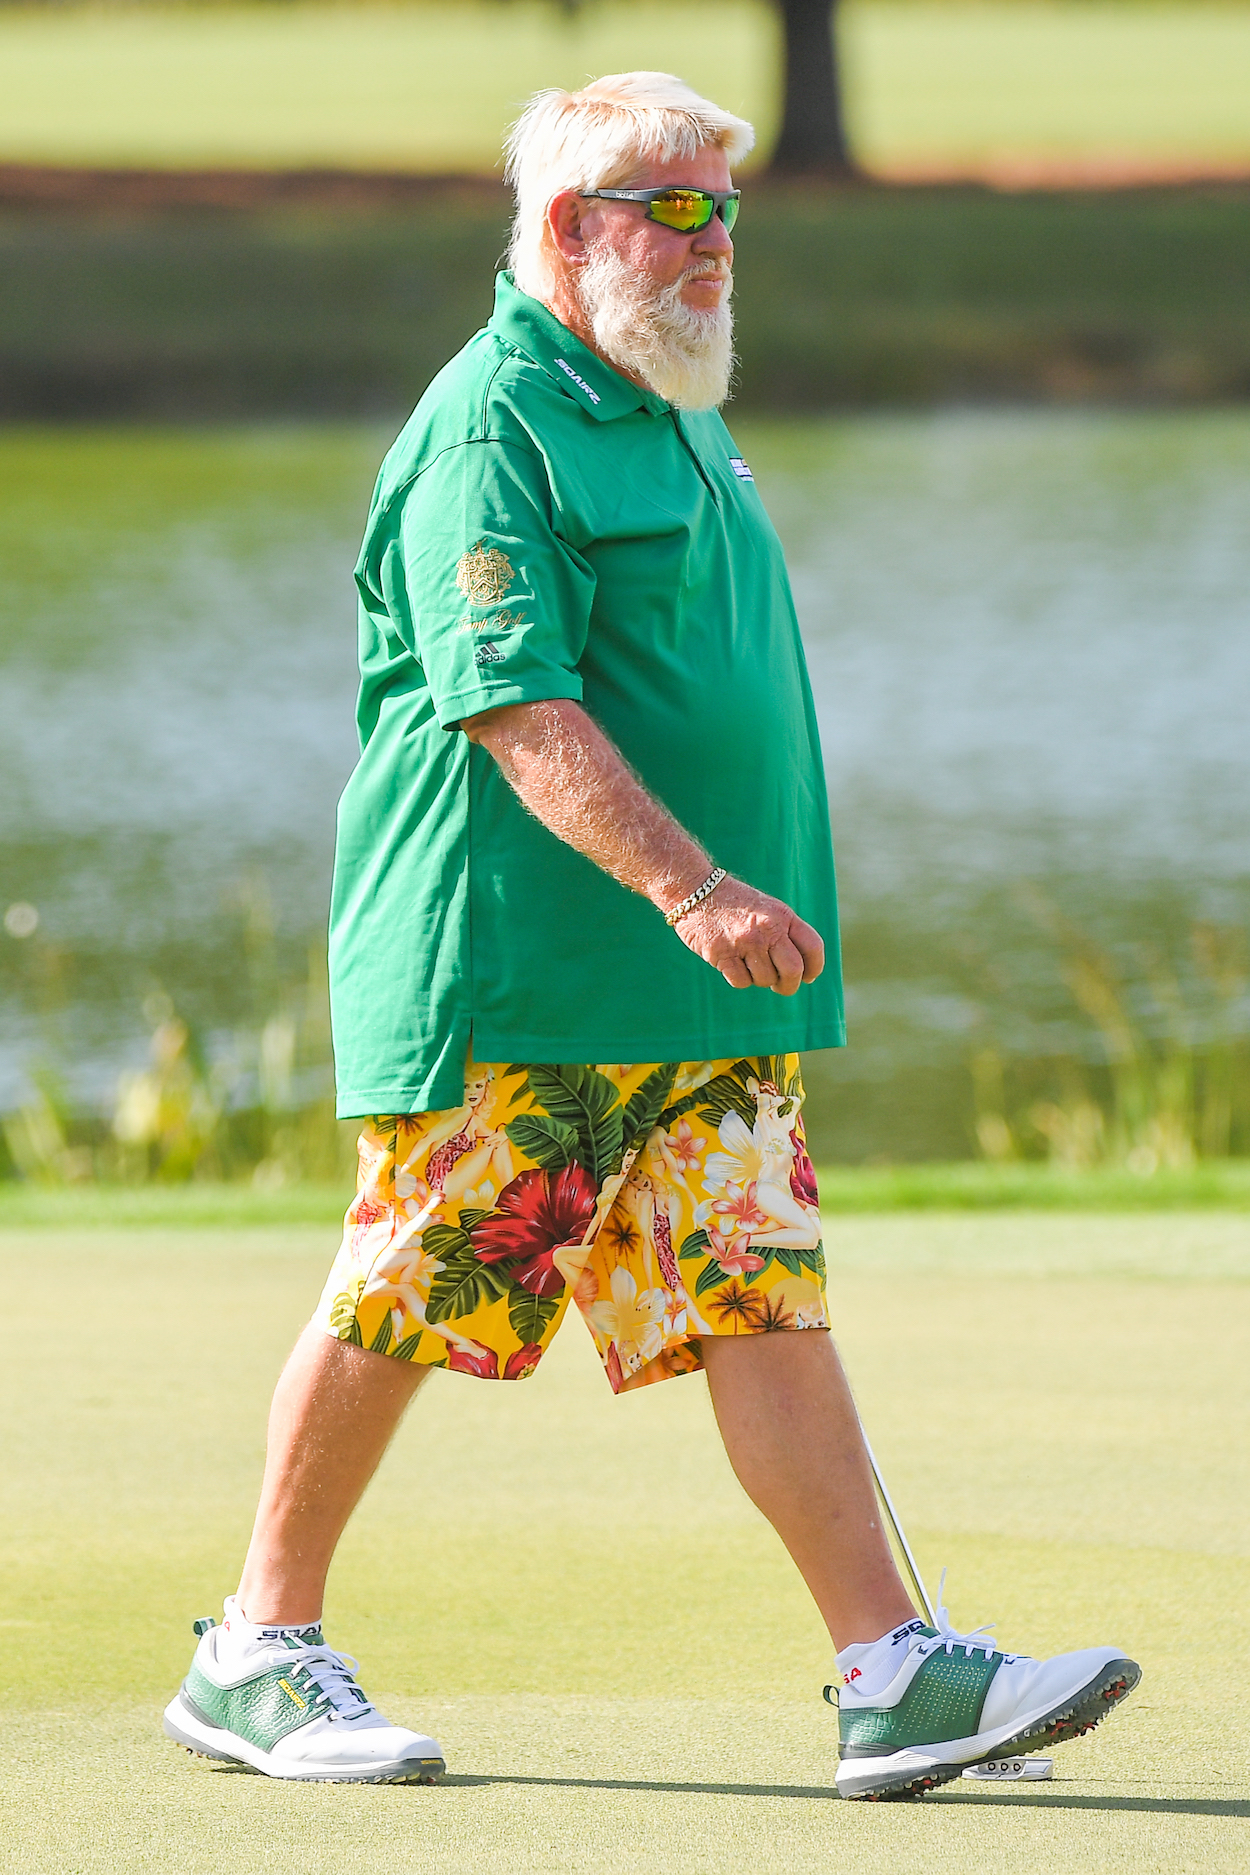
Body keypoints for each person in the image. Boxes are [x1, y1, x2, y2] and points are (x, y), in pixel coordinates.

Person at [163, 71, 1139, 1801]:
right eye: (676, 210)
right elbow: (517, 706)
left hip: (686, 989)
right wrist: (693, 883)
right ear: (566, 228)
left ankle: (891, 1673)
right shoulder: (494, 430)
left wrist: (714, 909)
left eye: (726, 210)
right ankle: (255, 1646)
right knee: (414, 1289)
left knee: (762, 1301)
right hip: (521, 970)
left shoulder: (661, 390)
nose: (716, 245)